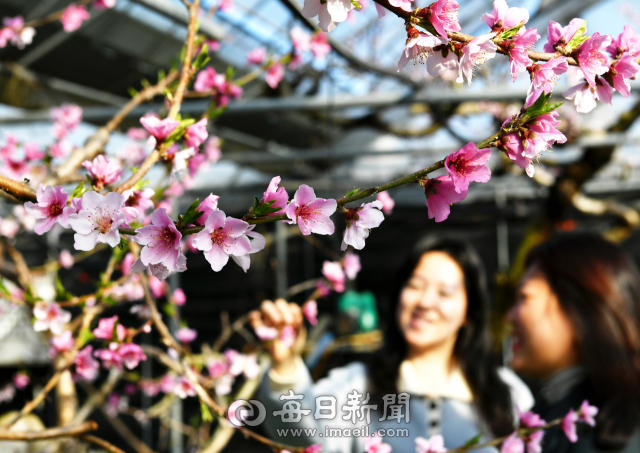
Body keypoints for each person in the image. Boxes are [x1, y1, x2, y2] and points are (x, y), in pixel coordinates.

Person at [251, 237, 533, 453]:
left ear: (469, 314)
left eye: (444, 292)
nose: (424, 302)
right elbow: (305, 436)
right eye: (415, 285)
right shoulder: (359, 385)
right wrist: (285, 367)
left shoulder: (508, 395)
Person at [507, 233, 640, 453]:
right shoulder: (551, 412)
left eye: (524, 297)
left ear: (577, 307)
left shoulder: (610, 432)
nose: (509, 317)